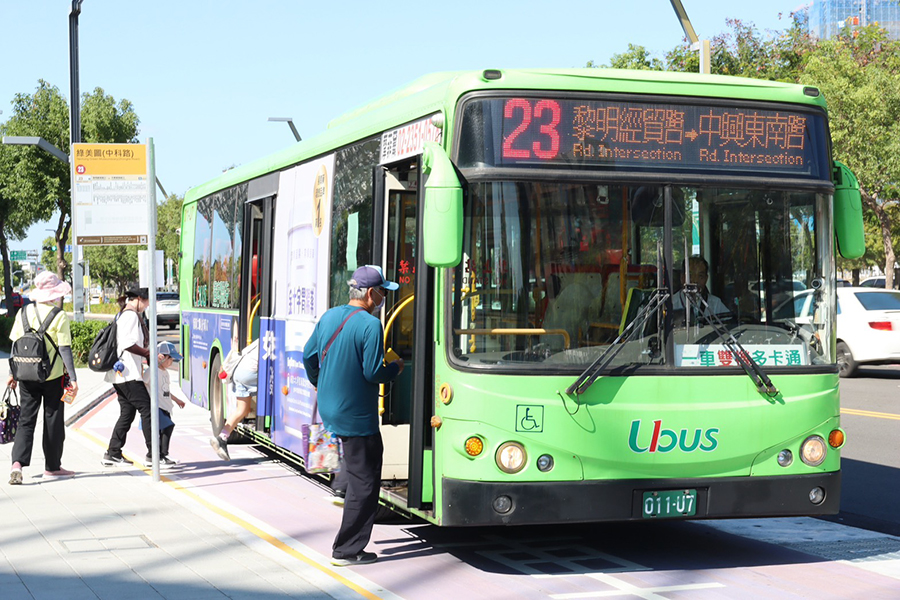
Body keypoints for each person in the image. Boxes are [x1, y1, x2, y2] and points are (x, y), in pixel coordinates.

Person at [302, 265, 404, 567]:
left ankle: (341, 486)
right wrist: (395, 369)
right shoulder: (370, 325)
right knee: (366, 481)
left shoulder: (329, 316)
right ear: (371, 293)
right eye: (382, 292)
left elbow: (308, 356)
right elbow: (372, 372)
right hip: (357, 415)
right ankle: (347, 550)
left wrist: (319, 381)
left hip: (329, 407)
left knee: (356, 464)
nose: (384, 297)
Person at [7, 272, 78, 485]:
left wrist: (12, 374)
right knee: (53, 420)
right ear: (55, 293)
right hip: (52, 377)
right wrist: (73, 378)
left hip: (26, 375)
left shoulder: (24, 312)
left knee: (26, 419)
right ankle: (52, 467)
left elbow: (15, 346)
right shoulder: (59, 315)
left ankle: (17, 464)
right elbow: (65, 349)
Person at [101, 287, 153, 467]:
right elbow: (127, 343)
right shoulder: (130, 316)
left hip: (121, 373)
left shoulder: (124, 314)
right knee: (147, 409)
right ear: (139, 299)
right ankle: (154, 454)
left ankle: (113, 453)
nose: (147, 306)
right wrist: (147, 353)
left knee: (127, 413)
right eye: (146, 302)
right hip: (128, 373)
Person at [209, 336, 259, 460]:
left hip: (239, 372)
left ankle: (221, 438)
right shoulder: (277, 339)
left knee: (242, 410)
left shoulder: (262, 339)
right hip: (249, 374)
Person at [142, 341, 186, 468]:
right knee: (168, 426)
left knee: (163, 431)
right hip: (157, 407)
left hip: (166, 407)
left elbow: (165, 390)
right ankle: (162, 455)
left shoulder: (165, 372)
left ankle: (156, 456)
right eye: (170, 358)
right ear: (162, 357)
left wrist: (177, 400)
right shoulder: (152, 371)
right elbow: (143, 384)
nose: (171, 362)